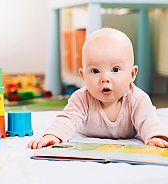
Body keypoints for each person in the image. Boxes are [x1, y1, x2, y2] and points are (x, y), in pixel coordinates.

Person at [28, 28, 168, 149]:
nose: (105, 78)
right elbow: (67, 119)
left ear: (132, 74)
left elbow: (149, 120)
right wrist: (53, 135)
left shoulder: (137, 99)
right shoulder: (81, 98)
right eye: (95, 71)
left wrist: (155, 137)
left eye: (115, 69)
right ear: (83, 75)